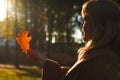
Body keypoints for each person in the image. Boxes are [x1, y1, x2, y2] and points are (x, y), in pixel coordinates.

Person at [26, 0, 120, 80]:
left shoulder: (102, 65)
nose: (81, 25)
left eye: (86, 19)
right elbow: (76, 76)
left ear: (101, 26)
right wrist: (45, 63)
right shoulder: (98, 58)